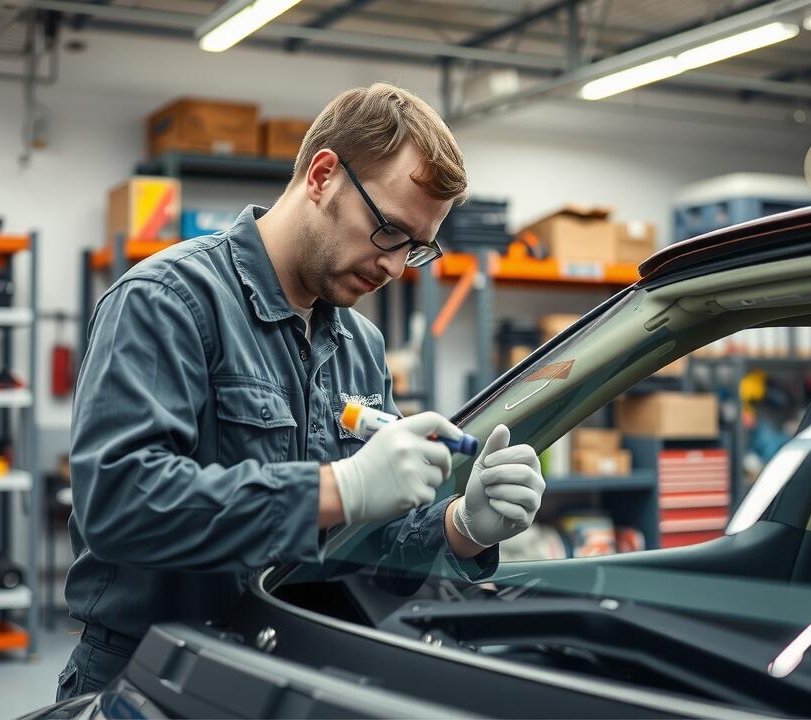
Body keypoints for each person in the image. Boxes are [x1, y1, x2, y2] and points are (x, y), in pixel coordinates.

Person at [57, 83, 546, 700]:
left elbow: (370, 544)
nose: (396, 267)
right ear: (322, 176)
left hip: (293, 666)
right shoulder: (168, 301)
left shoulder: (361, 346)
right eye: (390, 231)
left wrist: (462, 526)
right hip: (147, 676)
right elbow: (120, 503)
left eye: (417, 249)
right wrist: (338, 488)